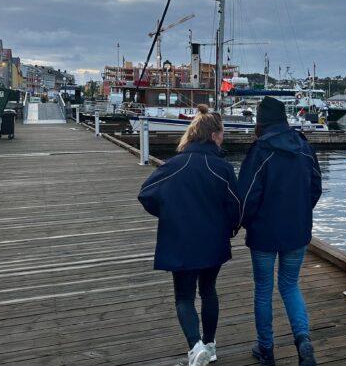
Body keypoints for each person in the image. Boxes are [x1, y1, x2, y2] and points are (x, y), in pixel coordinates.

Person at [138, 105, 240, 366]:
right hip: (213, 240)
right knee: (208, 290)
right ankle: (210, 344)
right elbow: (236, 205)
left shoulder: (175, 165)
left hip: (180, 239)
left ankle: (195, 346)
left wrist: (169, 214)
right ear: (214, 135)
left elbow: (146, 193)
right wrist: (231, 228)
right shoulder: (222, 168)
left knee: (184, 296)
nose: (224, 137)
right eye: (223, 133)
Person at [239, 97, 322, 366]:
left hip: (264, 232)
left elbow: (247, 195)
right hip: (297, 231)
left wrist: (242, 222)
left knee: (263, 289)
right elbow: (315, 187)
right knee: (289, 285)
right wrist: (300, 212)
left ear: (261, 122)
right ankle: (303, 339)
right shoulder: (304, 147)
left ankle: (266, 349)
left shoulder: (261, 150)